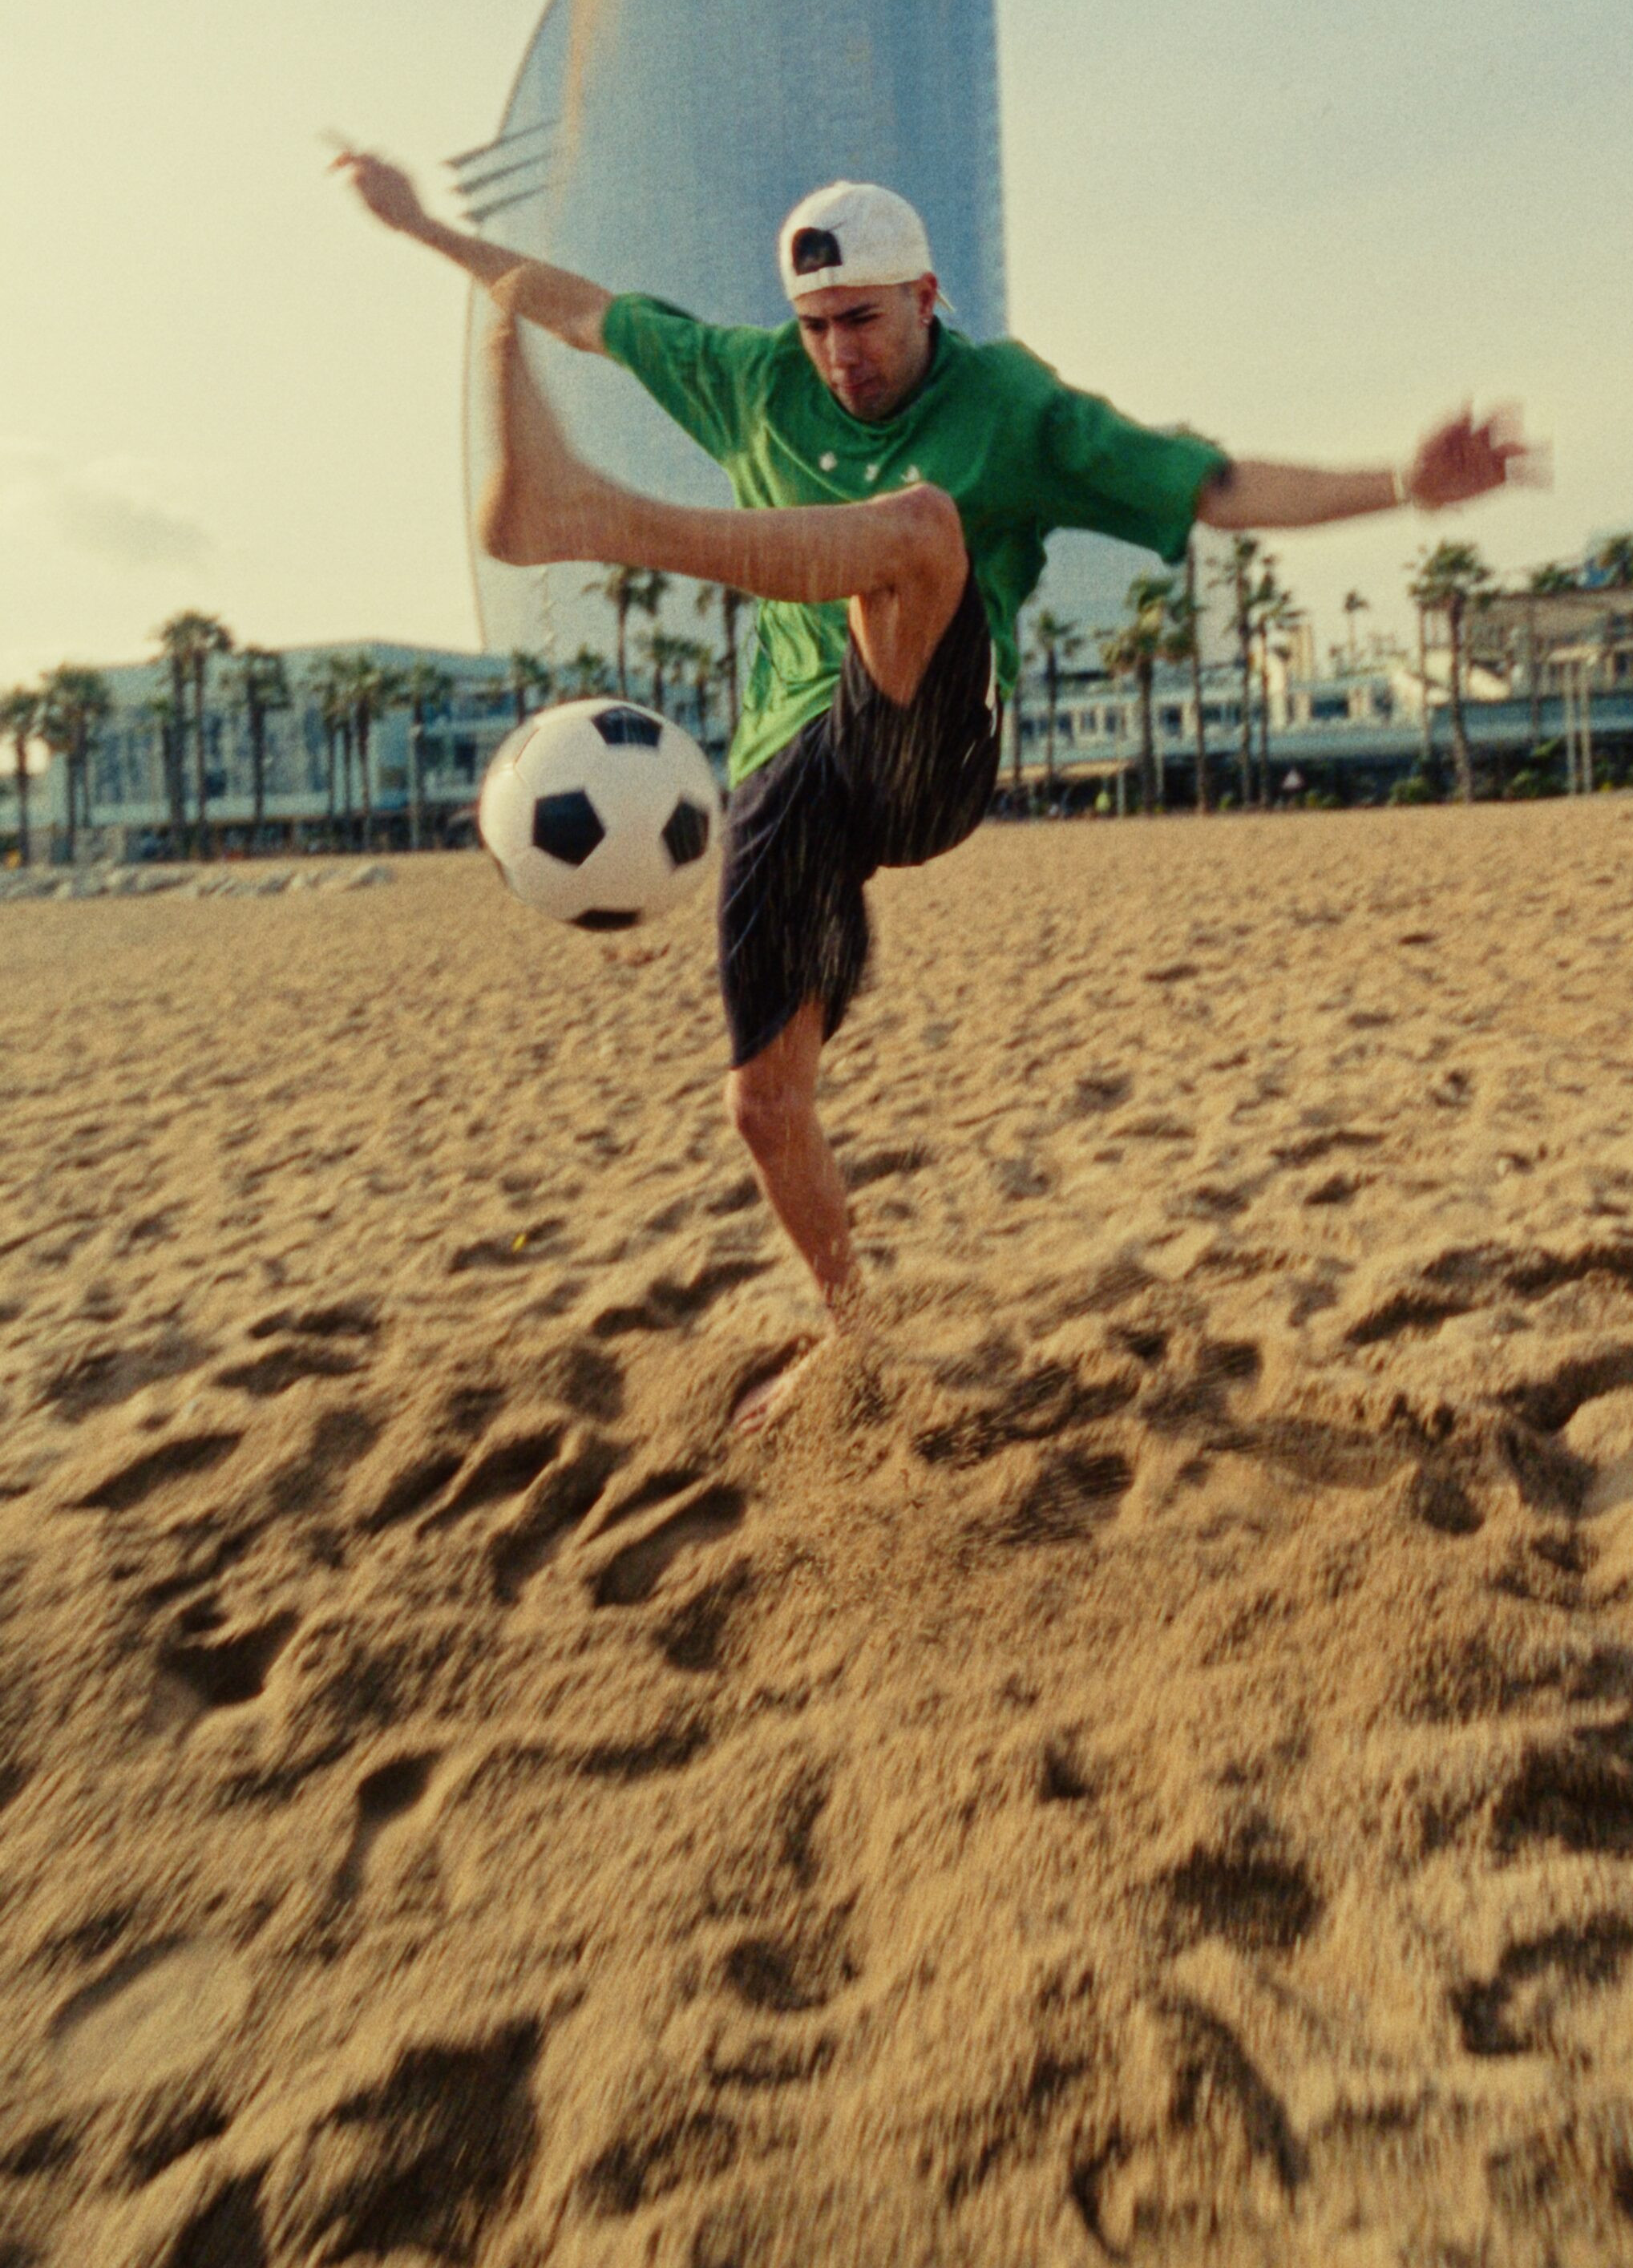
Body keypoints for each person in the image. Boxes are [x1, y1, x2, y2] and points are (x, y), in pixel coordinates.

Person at [336, 149, 1535, 1415]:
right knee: (764, 1104)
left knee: (919, 530)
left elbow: (1219, 487)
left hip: (930, 748)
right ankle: (855, 1332)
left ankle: (595, 519)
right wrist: (423, 228)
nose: (837, 352)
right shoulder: (752, 381)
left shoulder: (1008, 403)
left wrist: (1405, 486)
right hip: (791, 772)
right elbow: (578, 309)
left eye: (862, 319)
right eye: (815, 326)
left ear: (925, 296)